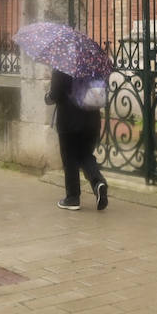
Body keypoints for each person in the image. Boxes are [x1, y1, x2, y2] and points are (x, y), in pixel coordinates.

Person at [45, 68, 107, 211]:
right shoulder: (92, 64)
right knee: (85, 155)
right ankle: (98, 183)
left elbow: (55, 94)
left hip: (69, 120)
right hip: (92, 119)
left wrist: (47, 97)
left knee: (69, 157)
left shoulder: (62, 66)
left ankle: (72, 198)